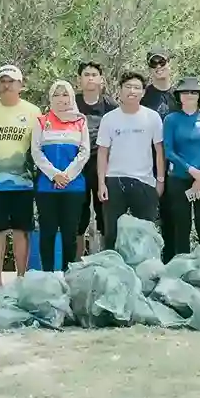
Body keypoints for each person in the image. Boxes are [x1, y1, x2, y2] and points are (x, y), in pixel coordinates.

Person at [0, 65, 42, 290]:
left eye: (11, 81)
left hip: (24, 183)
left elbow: (42, 145)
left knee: (22, 232)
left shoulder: (34, 112)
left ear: (21, 85)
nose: (7, 85)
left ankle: (21, 280)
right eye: (3, 80)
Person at [98, 70, 166, 249]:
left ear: (143, 92)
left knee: (145, 233)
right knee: (112, 233)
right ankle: (113, 273)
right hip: (114, 180)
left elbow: (159, 151)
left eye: (137, 87)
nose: (132, 91)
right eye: (128, 87)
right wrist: (101, 183)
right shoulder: (109, 118)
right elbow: (103, 152)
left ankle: (145, 274)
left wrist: (160, 180)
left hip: (144, 181)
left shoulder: (152, 117)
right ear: (120, 90)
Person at [32, 80, 90, 272]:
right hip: (46, 187)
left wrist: (67, 175)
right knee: (47, 232)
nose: (61, 99)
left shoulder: (80, 121)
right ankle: (47, 276)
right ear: (51, 98)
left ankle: (67, 275)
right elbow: (36, 152)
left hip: (73, 187)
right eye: (56, 95)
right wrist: (54, 175)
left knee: (69, 234)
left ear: (71, 97)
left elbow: (84, 152)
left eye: (65, 94)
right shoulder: (42, 121)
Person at [161, 76, 200, 259]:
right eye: (185, 92)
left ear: (199, 95)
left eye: (194, 92)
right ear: (179, 96)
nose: (189, 95)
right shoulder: (171, 119)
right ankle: (182, 271)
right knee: (181, 226)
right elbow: (169, 150)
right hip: (178, 178)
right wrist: (190, 170)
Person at [74, 60, 117, 259]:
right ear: (79, 80)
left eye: (94, 75)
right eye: (86, 74)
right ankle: (75, 264)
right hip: (76, 166)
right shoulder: (72, 103)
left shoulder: (110, 105)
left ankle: (106, 261)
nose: (90, 78)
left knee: (105, 216)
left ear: (101, 79)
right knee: (78, 218)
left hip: (103, 165)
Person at [142, 49, 177, 260]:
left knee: (174, 218)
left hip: (177, 163)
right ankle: (149, 264)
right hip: (149, 165)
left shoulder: (182, 94)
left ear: (169, 63)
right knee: (149, 219)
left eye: (162, 62)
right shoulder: (144, 96)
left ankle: (173, 262)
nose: (158, 68)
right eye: (153, 65)